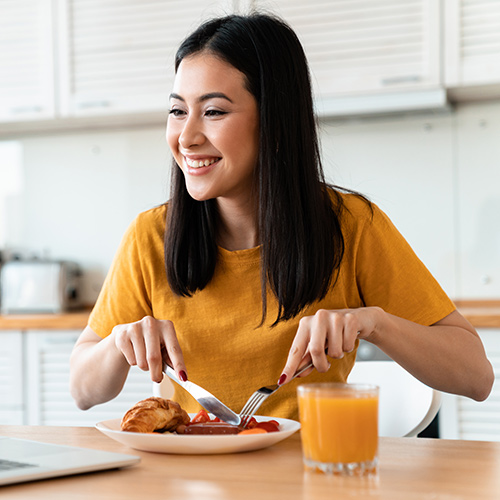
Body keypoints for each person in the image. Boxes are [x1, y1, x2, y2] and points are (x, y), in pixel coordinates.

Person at [69, 13, 493, 421]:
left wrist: (374, 323)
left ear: (274, 122)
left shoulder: (351, 226)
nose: (186, 136)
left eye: (213, 111)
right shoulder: (151, 236)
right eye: (178, 110)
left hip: (312, 478)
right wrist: (117, 345)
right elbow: (83, 391)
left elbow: (477, 376)